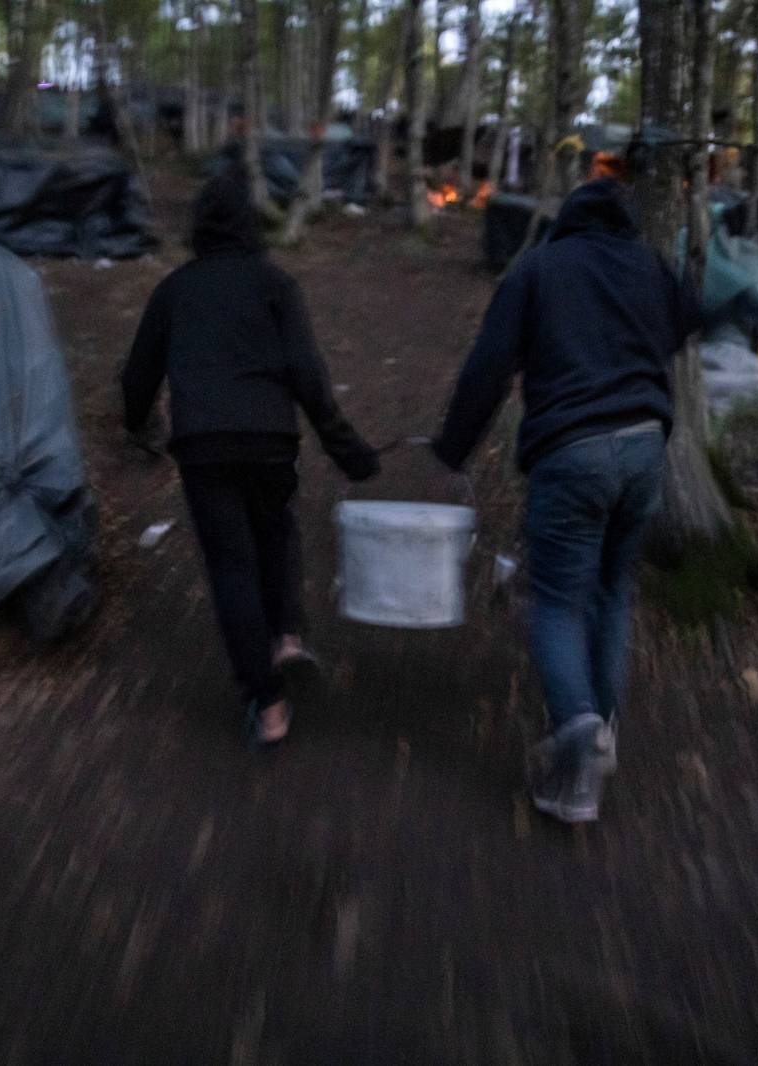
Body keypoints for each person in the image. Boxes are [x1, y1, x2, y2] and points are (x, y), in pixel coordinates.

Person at [432, 177, 702, 824]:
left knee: (555, 598)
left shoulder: (539, 268)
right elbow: (686, 322)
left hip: (572, 452)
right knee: (613, 589)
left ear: (567, 221)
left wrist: (452, 447)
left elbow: (489, 363)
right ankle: (599, 728)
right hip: (643, 449)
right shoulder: (647, 264)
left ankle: (578, 731)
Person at [121, 165, 379, 748]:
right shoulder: (275, 285)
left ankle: (268, 707)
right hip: (269, 440)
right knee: (278, 531)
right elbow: (309, 377)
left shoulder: (175, 291)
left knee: (232, 565)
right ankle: (285, 633)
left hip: (203, 446)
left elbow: (138, 376)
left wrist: (138, 424)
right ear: (250, 224)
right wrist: (348, 450)